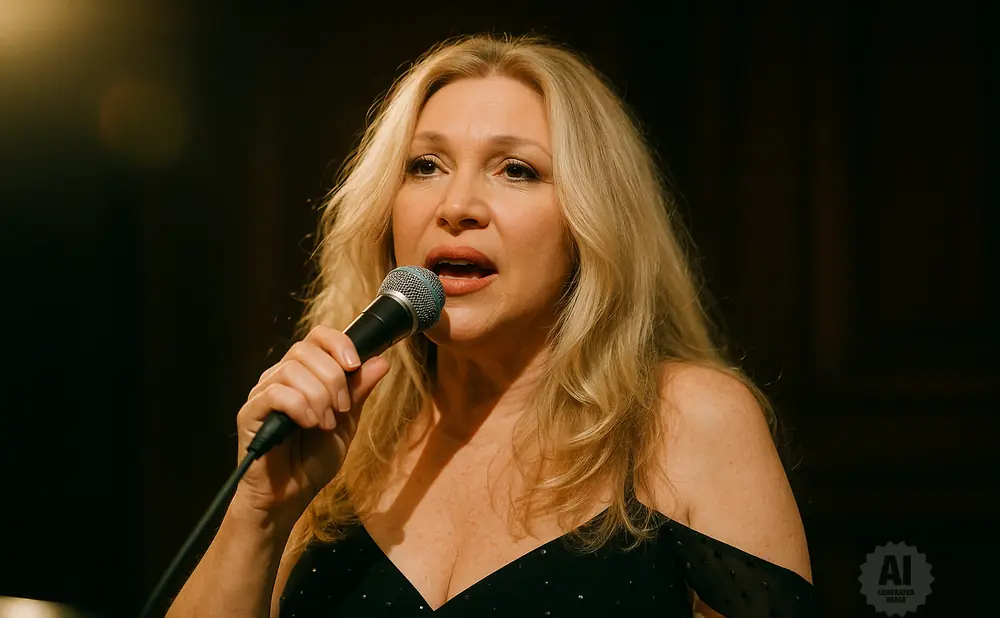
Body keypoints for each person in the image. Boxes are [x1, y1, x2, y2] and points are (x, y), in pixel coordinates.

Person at [166, 34, 818, 617]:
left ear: (589, 224)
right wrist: (257, 510)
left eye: (517, 170)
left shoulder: (680, 420)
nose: (457, 206)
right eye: (425, 166)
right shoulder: (340, 439)